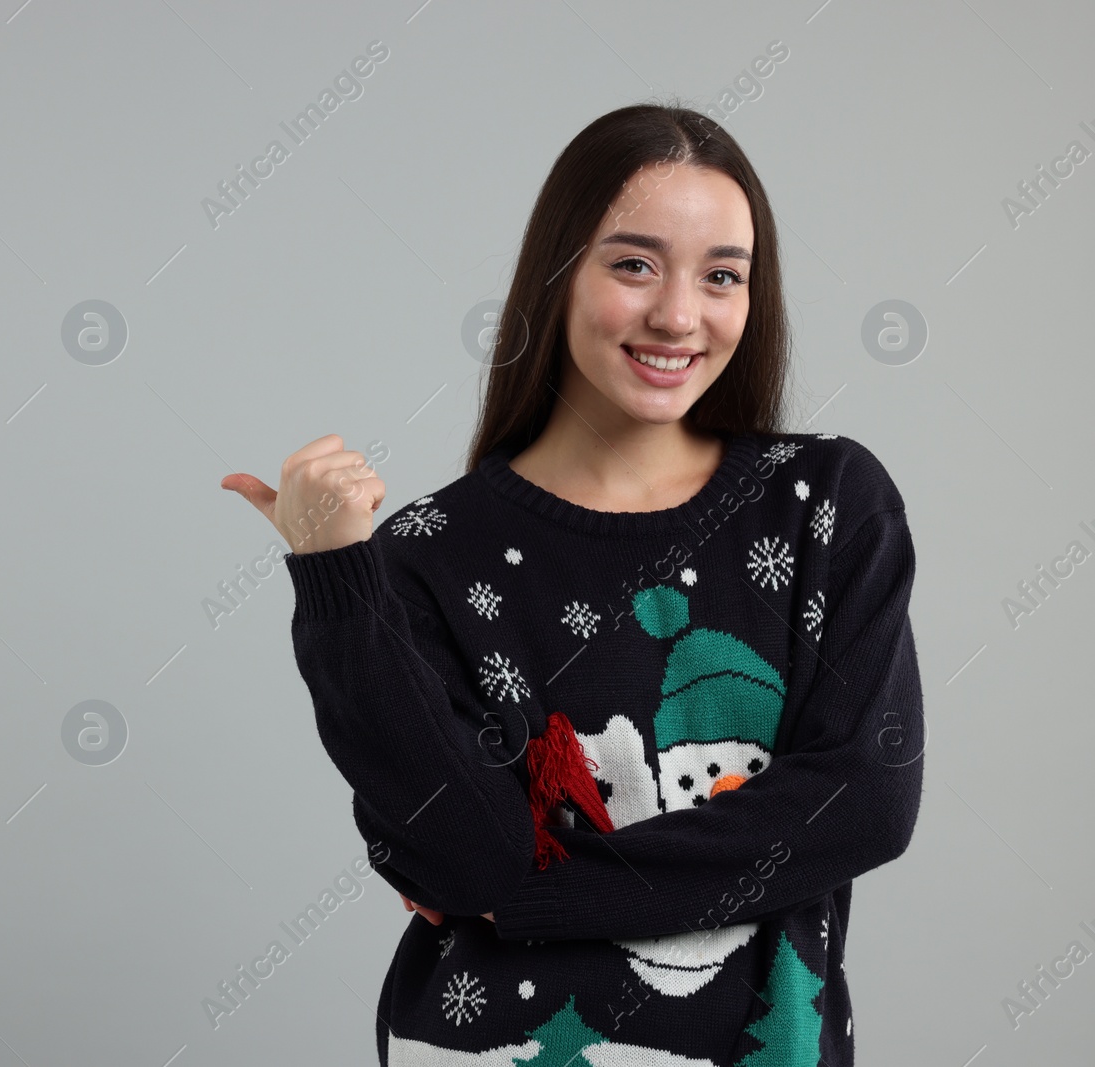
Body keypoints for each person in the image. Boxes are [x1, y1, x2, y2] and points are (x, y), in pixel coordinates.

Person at [221, 103, 923, 1066]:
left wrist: (537, 890)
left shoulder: (825, 504)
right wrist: (335, 575)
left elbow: (862, 799)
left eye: (722, 275)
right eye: (634, 264)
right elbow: (459, 853)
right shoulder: (428, 551)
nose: (679, 314)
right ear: (559, 274)